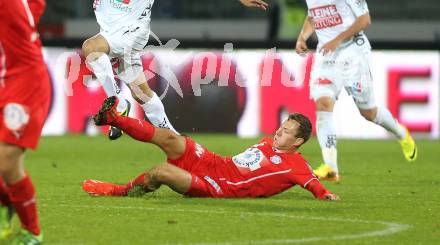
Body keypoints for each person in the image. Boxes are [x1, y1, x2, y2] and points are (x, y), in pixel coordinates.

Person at [65, 0, 268, 141]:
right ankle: (175, 138)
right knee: (142, 93)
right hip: (111, 30)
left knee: (91, 48)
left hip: (134, 31)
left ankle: (117, 103)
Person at [295, 0, 418, 181]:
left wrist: (337, 39)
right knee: (323, 104)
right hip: (326, 55)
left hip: (352, 51)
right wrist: (303, 36)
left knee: (368, 112)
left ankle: (401, 132)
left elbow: (364, 19)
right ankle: (331, 167)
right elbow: (313, 15)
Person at [82, 96, 339, 201]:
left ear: (298, 142)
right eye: (281, 126)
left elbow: (313, 183)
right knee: (172, 139)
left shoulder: (296, 165)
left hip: (217, 187)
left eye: (286, 131)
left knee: (161, 172)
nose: (278, 131)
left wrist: (324, 195)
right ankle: (114, 119)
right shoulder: (267, 142)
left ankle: (119, 191)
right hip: (215, 164)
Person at [0, 0, 50, 244]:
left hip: (24, 80)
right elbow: (37, 3)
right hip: (7, 73)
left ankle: (32, 233)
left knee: (7, 161)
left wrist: (18, 45)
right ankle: (6, 205)